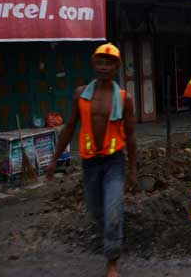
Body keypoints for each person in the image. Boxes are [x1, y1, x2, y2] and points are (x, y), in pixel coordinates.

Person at [46, 43, 136, 277]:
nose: (104, 67)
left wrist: (134, 170)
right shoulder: (81, 94)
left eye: (109, 63)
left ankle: (112, 261)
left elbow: (132, 135)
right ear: (94, 65)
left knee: (113, 211)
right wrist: (55, 158)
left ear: (117, 67)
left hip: (114, 161)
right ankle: (109, 233)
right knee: (97, 212)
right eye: (100, 62)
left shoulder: (124, 99)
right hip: (90, 163)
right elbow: (69, 128)